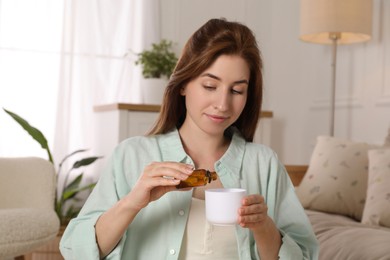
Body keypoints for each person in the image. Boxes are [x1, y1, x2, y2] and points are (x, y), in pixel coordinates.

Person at [60, 18, 319, 259]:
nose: (223, 104)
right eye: (210, 86)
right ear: (183, 84)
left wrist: (264, 226)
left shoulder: (264, 164)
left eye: (237, 90)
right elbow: (75, 250)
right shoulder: (131, 155)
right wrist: (132, 203)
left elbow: (305, 253)